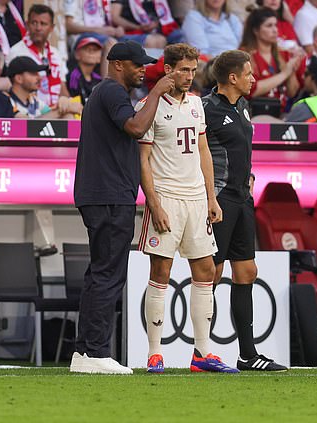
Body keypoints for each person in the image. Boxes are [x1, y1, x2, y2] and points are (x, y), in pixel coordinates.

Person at [69, 40, 174, 375]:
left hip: (102, 194)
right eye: (137, 64)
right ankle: (95, 353)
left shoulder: (104, 93)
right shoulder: (113, 92)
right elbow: (136, 127)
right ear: (117, 64)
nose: (144, 69)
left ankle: (85, 353)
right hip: (109, 195)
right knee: (108, 274)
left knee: (99, 272)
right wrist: (156, 93)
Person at [136, 43, 237, 374]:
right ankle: (154, 352)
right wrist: (154, 203)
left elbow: (204, 151)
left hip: (196, 199)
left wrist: (211, 197)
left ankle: (202, 353)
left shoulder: (197, 104)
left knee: (206, 271)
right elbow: (144, 159)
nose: (189, 76)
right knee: (160, 272)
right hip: (166, 197)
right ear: (168, 70)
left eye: (193, 70)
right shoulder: (150, 106)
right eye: (183, 70)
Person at [203, 49, 287, 371]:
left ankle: (248, 355)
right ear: (233, 78)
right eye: (249, 73)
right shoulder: (207, 108)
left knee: (247, 271)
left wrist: (249, 176)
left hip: (242, 197)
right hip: (220, 198)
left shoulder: (243, 106)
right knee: (211, 274)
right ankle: (202, 350)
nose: (254, 78)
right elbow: (200, 154)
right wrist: (209, 196)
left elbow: (241, 149)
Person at [8, 4, 73, 112]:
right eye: (34, 23)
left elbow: (62, 88)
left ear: (51, 28)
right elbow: (14, 87)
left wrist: (65, 101)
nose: (38, 28)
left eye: (43, 24)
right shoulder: (16, 51)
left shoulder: (56, 53)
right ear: (27, 25)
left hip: (55, 111)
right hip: (31, 111)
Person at [239, 7, 301, 114]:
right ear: (256, 30)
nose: (275, 30)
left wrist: (291, 71)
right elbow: (250, 90)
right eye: (269, 26)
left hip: (280, 113)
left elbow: (292, 93)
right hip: (252, 114)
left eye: (276, 25)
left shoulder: (283, 54)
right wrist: (285, 73)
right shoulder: (244, 55)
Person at [7, 56, 82, 119]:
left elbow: (50, 113)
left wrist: (64, 103)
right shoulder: (6, 100)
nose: (39, 77)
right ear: (18, 78)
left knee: (68, 116)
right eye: (33, 73)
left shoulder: (33, 99)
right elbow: (25, 125)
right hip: (16, 136)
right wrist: (64, 109)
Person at [111, 0, 180, 47]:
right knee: (156, 40)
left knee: (179, 35)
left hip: (161, 29)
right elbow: (114, 17)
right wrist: (138, 27)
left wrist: (157, 23)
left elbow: (163, 15)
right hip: (133, 31)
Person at [67, 35, 103, 105]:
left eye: (95, 50)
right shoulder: (73, 77)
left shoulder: (99, 79)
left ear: (99, 58)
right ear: (77, 54)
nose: (91, 52)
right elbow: (74, 102)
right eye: (87, 49)